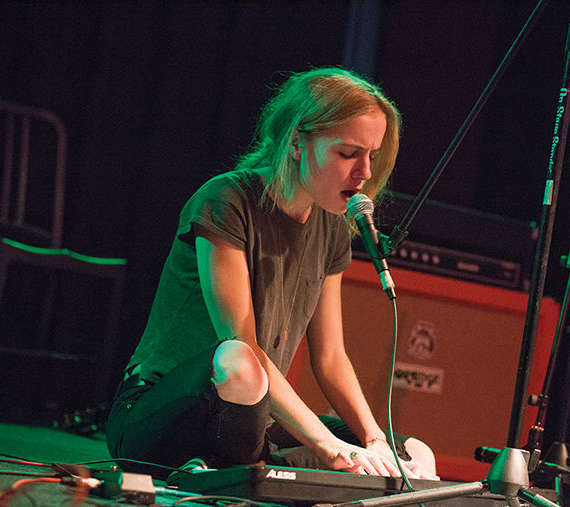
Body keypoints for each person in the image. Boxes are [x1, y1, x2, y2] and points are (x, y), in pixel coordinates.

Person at [105, 67, 438, 481]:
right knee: (239, 362)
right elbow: (242, 343)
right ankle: (269, 467)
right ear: (298, 141)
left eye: (372, 155)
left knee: (412, 452)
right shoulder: (226, 199)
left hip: (252, 419)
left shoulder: (332, 226)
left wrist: (373, 439)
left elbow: (331, 357)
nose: (365, 171)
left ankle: (265, 468)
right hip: (159, 414)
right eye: (349, 153)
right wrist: (325, 443)